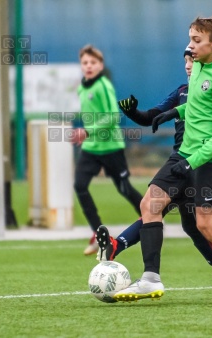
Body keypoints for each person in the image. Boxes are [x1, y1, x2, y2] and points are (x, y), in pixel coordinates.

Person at [114, 17, 212, 305]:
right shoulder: (199, 66)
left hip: (209, 160)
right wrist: (174, 113)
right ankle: (150, 278)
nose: (190, 46)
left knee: (206, 226)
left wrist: (194, 161)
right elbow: (199, 105)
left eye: (197, 40)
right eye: (190, 38)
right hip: (185, 153)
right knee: (150, 204)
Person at [95, 44, 212, 299]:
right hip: (177, 162)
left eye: (192, 60)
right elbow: (151, 117)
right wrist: (132, 112)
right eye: (185, 62)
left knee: (194, 226)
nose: (189, 66)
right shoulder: (181, 92)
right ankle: (126, 254)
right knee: (156, 208)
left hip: (199, 163)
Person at [71, 44, 143, 256]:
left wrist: (87, 131)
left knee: (124, 188)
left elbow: (113, 116)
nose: (89, 66)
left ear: (100, 66)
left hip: (111, 147)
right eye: (85, 63)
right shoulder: (82, 87)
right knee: (79, 186)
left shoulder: (104, 85)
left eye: (93, 62)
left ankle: (150, 221)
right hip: (92, 148)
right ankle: (97, 233)